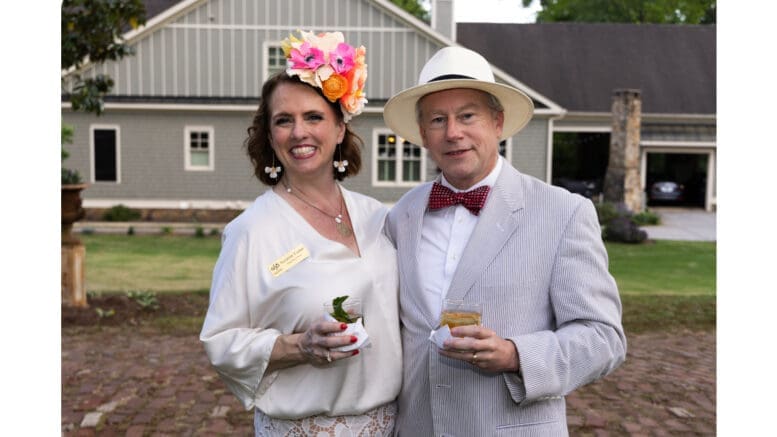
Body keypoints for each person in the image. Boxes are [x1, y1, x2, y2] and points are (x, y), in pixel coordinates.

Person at [382, 46, 627, 435]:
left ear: (497, 122)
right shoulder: (401, 216)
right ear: (423, 135)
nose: (453, 133)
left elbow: (603, 339)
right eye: (437, 120)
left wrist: (516, 355)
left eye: (467, 116)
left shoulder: (563, 213)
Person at [200, 31, 402, 436]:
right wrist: (299, 347)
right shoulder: (252, 231)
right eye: (283, 121)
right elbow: (220, 341)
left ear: (340, 128)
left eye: (313, 117)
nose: (299, 132)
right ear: (270, 138)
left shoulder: (376, 218)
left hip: (389, 425)